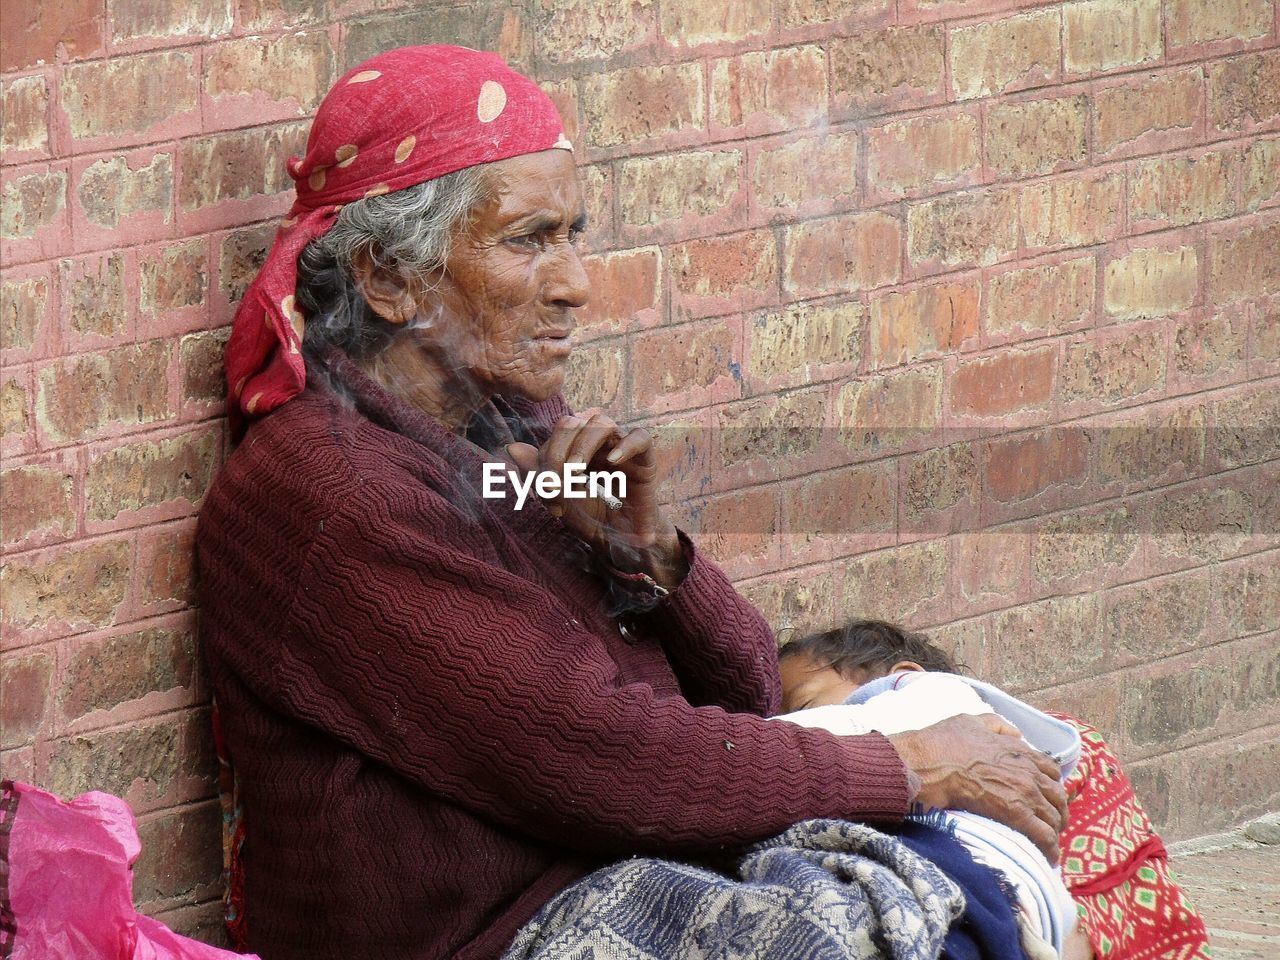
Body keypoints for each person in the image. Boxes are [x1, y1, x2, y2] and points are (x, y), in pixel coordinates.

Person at [197, 45, 1066, 960]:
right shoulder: (328, 495)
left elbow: (749, 694)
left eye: (572, 235)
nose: (575, 285)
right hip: (503, 934)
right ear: (387, 277)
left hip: (634, 866)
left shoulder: (507, 429)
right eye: (530, 241)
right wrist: (908, 768)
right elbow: (596, 757)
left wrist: (656, 563)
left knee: (994, 854)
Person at [778, 621, 1214, 960]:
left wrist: (748, 743)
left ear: (902, 677)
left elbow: (807, 741)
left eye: (801, 705)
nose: (788, 722)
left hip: (995, 893)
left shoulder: (924, 698)